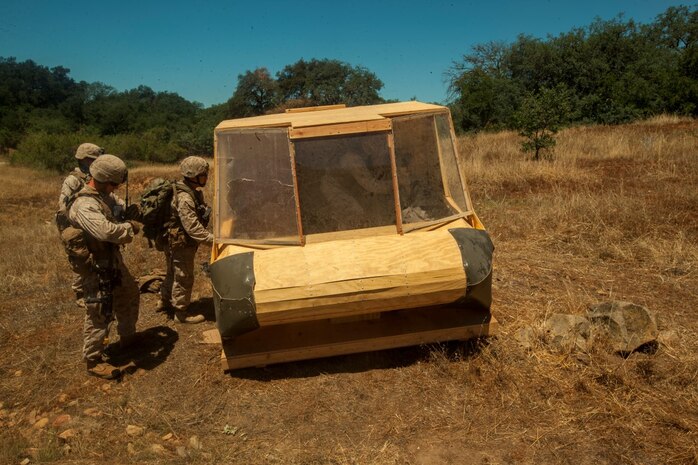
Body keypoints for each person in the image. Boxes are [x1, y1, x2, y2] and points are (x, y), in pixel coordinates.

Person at [67, 154, 140, 379]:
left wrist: (131, 212)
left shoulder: (104, 196)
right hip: (95, 267)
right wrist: (129, 228)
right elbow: (106, 232)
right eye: (115, 183)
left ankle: (128, 339)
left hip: (113, 260)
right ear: (105, 180)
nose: (117, 188)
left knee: (129, 295)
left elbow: (118, 207)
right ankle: (93, 360)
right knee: (98, 313)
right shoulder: (84, 204)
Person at [156, 156, 213, 324]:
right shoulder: (185, 197)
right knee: (184, 276)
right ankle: (181, 312)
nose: (206, 177)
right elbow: (193, 228)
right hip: (180, 243)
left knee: (172, 272)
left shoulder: (189, 191)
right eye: (203, 174)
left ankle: (164, 301)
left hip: (173, 240)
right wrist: (214, 240)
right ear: (193, 176)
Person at [56, 143, 105, 307]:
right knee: (81, 259)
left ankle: (94, 285)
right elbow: (63, 206)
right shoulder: (73, 179)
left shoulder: (94, 176)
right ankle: (79, 292)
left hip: (93, 221)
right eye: (94, 160)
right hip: (77, 225)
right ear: (84, 160)